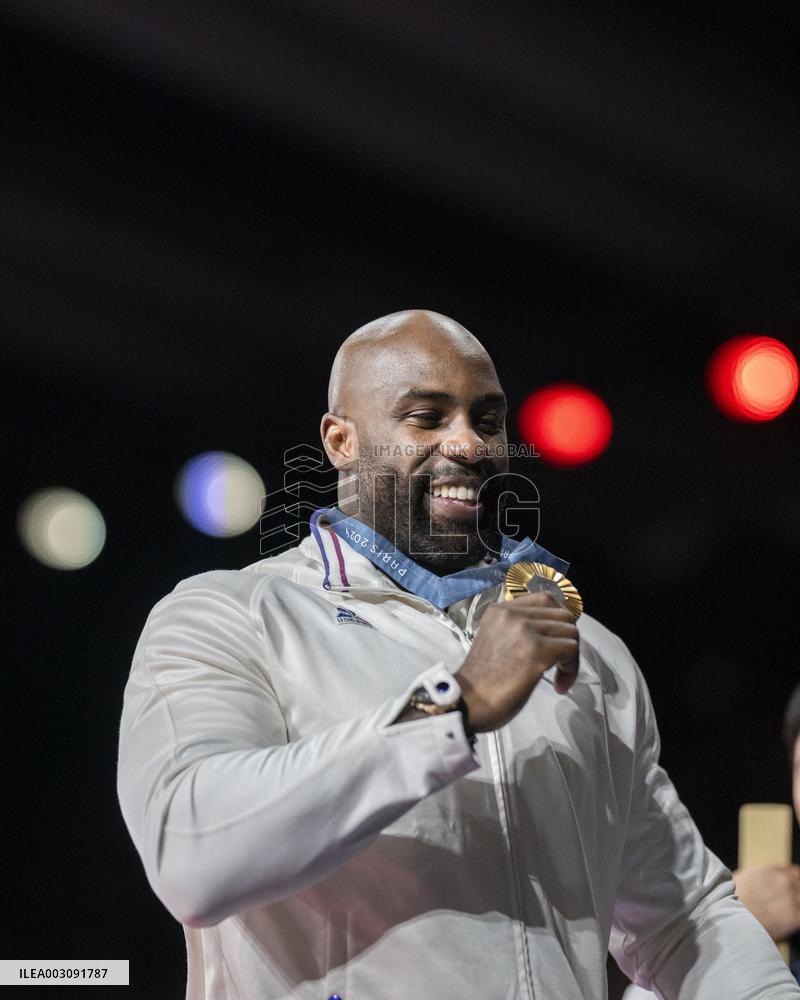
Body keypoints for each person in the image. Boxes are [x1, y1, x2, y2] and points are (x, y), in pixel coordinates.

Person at [117, 309, 800, 999]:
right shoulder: (232, 615)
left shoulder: (585, 651)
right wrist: (454, 708)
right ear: (341, 439)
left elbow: (683, 921)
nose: (470, 444)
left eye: (488, 418)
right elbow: (190, 850)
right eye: (427, 417)